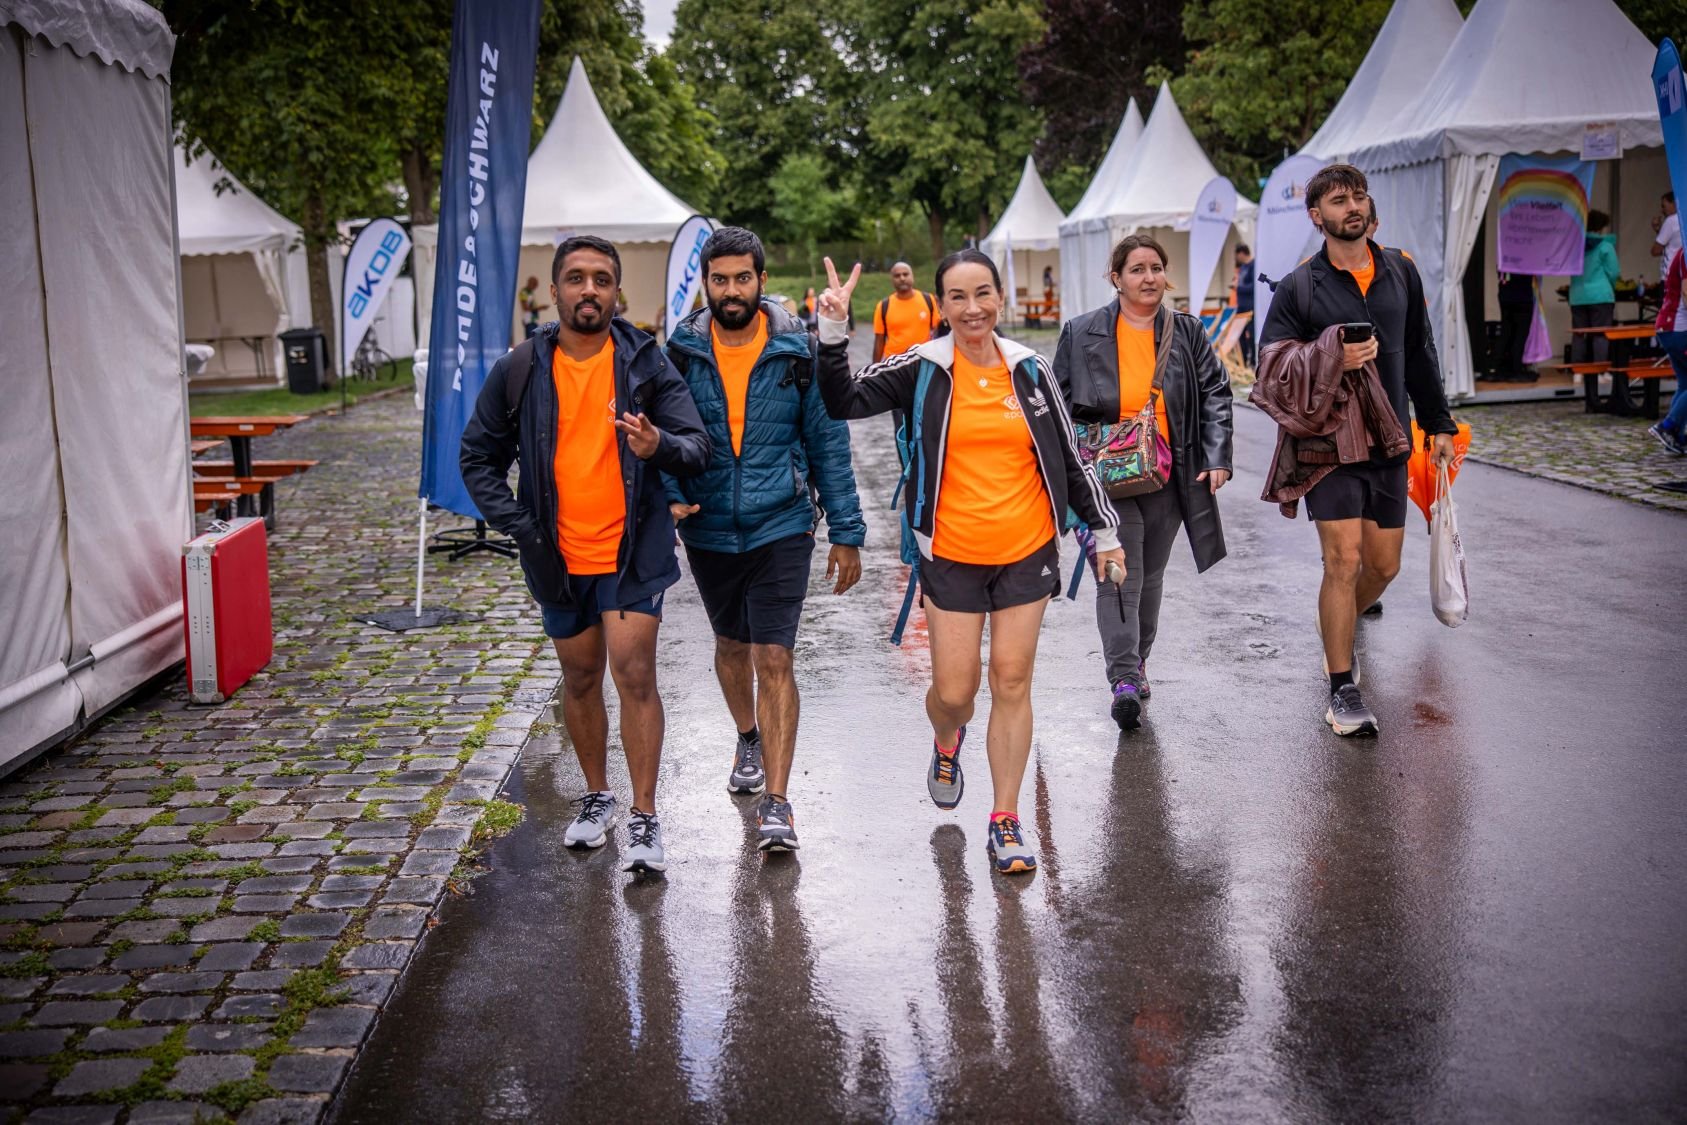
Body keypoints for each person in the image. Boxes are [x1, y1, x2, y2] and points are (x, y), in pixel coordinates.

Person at [813, 249, 1125, 876]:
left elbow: (1068, 455)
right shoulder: (923, 367)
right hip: (951, 555)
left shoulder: (1030, 370)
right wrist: (831, 330)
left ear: (999, 299)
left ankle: (1006, 819)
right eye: (957, 297)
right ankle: (947, 739)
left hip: (1027, 551)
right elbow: (841, 401)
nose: (973, 307)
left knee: (1011, 681)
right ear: (941, 306)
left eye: (983, 293)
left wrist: (1104, 532)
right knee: (955, 693)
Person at [459, 235, 710, 875]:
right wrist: (521, 526)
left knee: (633, 675)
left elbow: (696, 446)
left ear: (617, 291)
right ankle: (598, 797)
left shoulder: (646, 363)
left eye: (602, 279)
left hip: (631, 550)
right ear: (555, 290)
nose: (589, 290)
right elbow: (477, 456)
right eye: (576, 278)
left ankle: (646, 815)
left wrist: (657, 445)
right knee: (578, 679)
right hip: (557, 555)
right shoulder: (521, 367)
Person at [663, 227, 867, 852]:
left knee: (774, 657)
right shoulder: (679, 352)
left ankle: (778, 803)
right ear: (706, 283)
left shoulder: (795, 350)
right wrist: (671, 489)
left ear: (760, 279)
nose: (731, 291)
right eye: (720, 279)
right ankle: (747, 736)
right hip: (708, 526)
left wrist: (847, 529)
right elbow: (663, 433)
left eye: (742, 278)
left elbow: (828, 442)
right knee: (731, 647)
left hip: (782, 522)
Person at [1257, 163, 1456, 738]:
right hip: (1327, 443)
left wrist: (1438, 422)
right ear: (1317, 216)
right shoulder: (1300, 286)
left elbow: (1419, 349)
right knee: (1341, 560)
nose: (1354, 206)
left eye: (1360, 196)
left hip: (1390, 436)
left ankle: (1338, 628)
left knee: (1384, 566)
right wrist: (1329, 358)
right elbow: (1270, 363)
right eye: (1340, 200)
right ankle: (1342, 686)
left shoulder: (1400, 271)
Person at [1054, 234, 1233, 730]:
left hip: (1167, 473)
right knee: (1120, 571)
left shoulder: (1186, 332)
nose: (1148, 277)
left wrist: (1217, 456)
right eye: (1136, 269)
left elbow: (1216, 391)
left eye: (1156, 267)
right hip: (1104, 477)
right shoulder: (1082, 330)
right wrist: (1068, 472)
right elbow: (1057, 404)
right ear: (1116, 277)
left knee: (1151, 576)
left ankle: (1139, 659)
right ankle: (1124, 680)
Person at [1647, 247, 1687, 455]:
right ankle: (1668, 426)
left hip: (1669, 327)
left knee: (1685, 384)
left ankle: (1675, 439)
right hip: (1679, 329)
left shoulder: (1682, 250)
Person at [1570, 211, 1621, 364]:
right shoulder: (1605, 246)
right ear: (1601, 227)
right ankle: (1600, 371)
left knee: (1579, 334)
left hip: (1577, 295)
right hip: (1601, 295)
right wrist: (1611, 286)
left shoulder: (1574, 246)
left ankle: (1578, 371)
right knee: (1600, 334)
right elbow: (1614, 272)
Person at [872, 261, 942, 363]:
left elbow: (938, 330)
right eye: (897, 275)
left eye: (905, 274)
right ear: (892, 280)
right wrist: (874, 368)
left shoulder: (928, 299)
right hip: (894, 364)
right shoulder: (883, 306)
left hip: (923, 360)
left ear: (912, 276)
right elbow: (879, 340)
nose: (902, 278)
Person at [1493, 270, 1538, 382]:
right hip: (1522, 296)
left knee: (1506, 332)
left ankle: (1498, 368)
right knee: (1520, 335)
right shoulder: (1525, 254)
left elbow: (1500, 273)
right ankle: (1516, 369)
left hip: (1505, 295)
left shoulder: (1503, 254)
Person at [1232, 244, 1256, 365]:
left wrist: (1239, 287)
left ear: (1241, 253)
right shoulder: (1243, 267)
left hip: (1250, 307)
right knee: (1240, 335)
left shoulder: (1253, 266)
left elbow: (1254, 287)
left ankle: (1252, 361)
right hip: (1241, 307)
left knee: (1251, 335)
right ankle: (1243, 361)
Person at [1653, 192, 1680, 283]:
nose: (1662, 210)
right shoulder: (1682, 219)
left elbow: (1656, 251)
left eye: (1664, 206)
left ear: (1674, 203)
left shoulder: (1671, 221)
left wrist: (1658, 231)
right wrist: (1658, 231)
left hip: (1670, 275)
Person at [518, 275, 549, 340]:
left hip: (533, 320)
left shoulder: (530, 293)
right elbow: (525, 308)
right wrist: (540, 308)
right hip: (529, 321)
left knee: (534, 340)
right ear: (530, 282)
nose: (536, 286)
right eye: (535, 284)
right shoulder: (524, 292)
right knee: (531, 341)